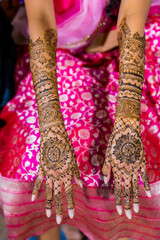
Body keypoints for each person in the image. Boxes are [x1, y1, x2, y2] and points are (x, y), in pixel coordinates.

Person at [0, 0, 160, 239]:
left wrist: (127, 123)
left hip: (126, 44)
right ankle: (52, 232)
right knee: (35, 155)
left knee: (137, 164)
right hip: (57, 49)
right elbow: (42, 24)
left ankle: (118, 231)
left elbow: (131, 19)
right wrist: (52, 128)